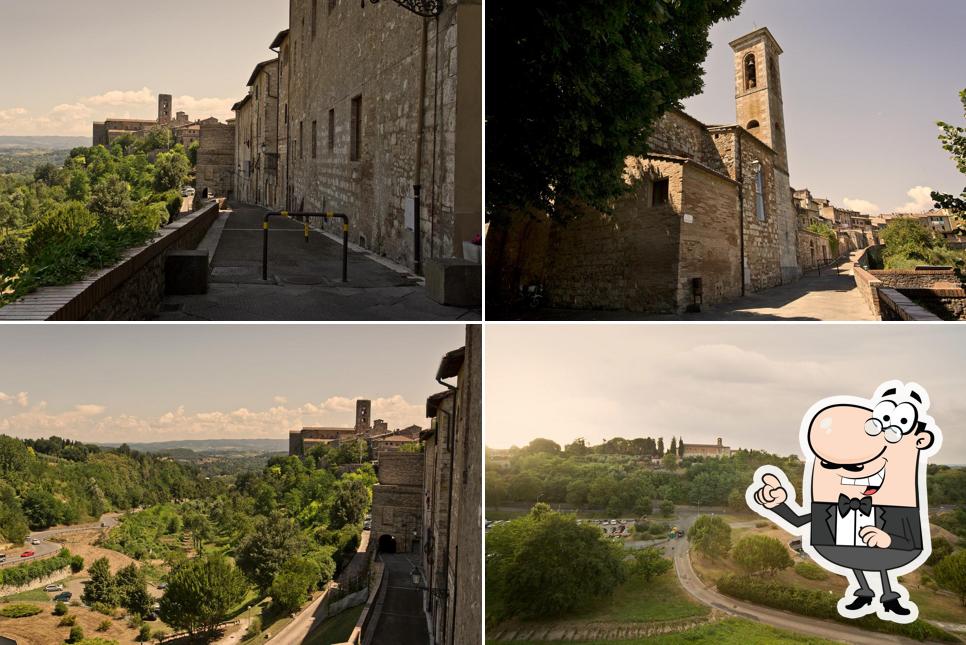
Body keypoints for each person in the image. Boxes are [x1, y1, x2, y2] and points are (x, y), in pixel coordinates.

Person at [748, 381, 942, 624]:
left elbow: (910, 540)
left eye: (857, 466)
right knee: (858, 563)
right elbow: (798, 521)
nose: (847, 472)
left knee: (880, 564)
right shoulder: (829, 505)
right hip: (844, 551)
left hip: (885, 554)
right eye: (829, 464)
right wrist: (778, 504)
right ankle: (863, 591)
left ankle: (889, 597)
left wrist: (888, 539)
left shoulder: (898, 508)